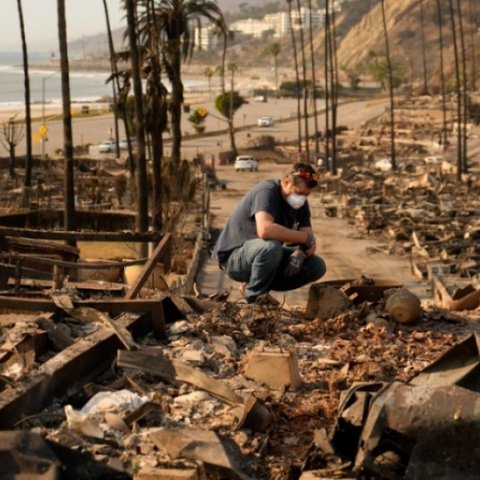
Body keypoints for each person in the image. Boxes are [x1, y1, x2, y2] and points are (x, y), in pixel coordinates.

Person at [212, 162, 327, 304]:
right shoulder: (267, 192)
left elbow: (311, 244)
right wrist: (304, 238)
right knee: (271, 247)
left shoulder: (301, 205)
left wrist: (300, 253)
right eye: (299, 193)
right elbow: (265, 230)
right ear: (285, 182)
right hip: (234, 258)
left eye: (306, 195)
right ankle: (255, 299)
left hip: (264, 257)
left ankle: (255, 287)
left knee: (317, 265)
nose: (302, 198)